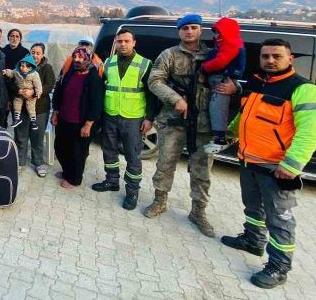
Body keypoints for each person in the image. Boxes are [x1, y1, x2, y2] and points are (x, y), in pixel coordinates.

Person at [220, 39, 316, 289]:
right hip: (249, 159)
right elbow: (245, 115)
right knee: (253, 205)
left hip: (276, 166)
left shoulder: (304, 89)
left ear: (290, 59)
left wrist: (292, 164)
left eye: (277, 56)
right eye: (266, 56)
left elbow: (311, 131)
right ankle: (253, 240)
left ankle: (279, 267)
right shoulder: (257, 82)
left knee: (279, 217)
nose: (270, 60)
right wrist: (231, 133)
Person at [143, 13, 237, 238]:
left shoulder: (214, 55)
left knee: (202, 169)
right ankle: (160, 201)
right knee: (165, 163)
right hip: (174, 121)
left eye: (193, 27)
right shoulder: (169, 55)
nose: (189, 31)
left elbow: (233, 79)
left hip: (204, 124)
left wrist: (236, 88)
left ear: (200, 30)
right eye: (184, 28)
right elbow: (155, 81)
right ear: (179, 32)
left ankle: (198, 211)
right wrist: (176, 99)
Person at [92, 29, 156, 211]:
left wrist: (149, 118)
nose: (123, 44)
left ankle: (132, 192)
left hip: (133, 118)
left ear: (134, 42)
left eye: (127, 41)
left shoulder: (144, 64)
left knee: (132, 156)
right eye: (120, 41)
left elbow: (152, 95)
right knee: (109, 151)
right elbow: (102, 88)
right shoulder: (109, 63)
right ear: (115, 42)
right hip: (110, 114)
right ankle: (112, 181)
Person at [51, 47, 104, 188]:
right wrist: (55, 111)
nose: (76, 60)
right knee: (60, 148)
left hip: (80, 122)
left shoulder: (94, 79)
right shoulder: (69, 74)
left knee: (77, 153)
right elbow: (59, 92)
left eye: (80, 57)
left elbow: (97, 104)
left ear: (88, 59)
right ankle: (67, 171)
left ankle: (74, 179)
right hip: (64, 119)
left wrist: (88, 124)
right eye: (74, 57)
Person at [200, 17, 246, 153]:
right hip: (218, 80)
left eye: (219, 32)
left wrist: (204, 67)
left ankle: (220, 138)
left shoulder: (230, 45)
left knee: (217, 108)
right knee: (217, 108)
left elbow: (220, 61)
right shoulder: (224, 44)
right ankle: (219, 138)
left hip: (222, 80)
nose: (216, 35)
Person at [13, 43, 56, 177]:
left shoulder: (47, 68)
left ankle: (38, 162)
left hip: (40, 109)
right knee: (21, 135)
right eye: (33, 52)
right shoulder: (22, 66)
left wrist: (34, 92)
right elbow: (12, 81)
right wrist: (19, 91)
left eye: (38, 53)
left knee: (37, 136)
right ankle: (20, 161)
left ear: (43, 54)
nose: (35, 55)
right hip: (22, 108)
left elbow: (50, 84)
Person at [3, 54, 43, 130]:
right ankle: (17, 118)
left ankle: (33, 121)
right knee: (16, 103)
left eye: (23, 66)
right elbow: (11, 72)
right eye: (21, 65)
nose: (21, 68)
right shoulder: (17, 72)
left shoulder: (34, 74)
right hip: (19, 92)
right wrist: (6, 71)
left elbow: (38, 84)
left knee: (30, 105)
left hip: (30, 93)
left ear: (30, 68)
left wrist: (38, 92)